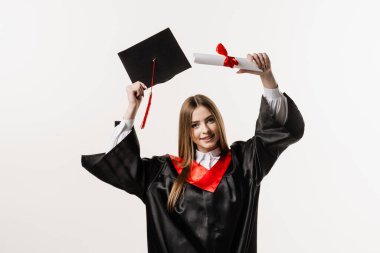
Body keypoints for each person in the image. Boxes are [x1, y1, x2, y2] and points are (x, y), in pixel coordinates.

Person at [81, 52, 305, 253]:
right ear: (186, 131)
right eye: (195, 125)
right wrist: (132, 108)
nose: (205, 130)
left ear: (219, 122)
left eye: (210, 121)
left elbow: (277, 128)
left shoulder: (245, 162)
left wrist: (267, 77)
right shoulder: (163, 175)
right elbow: (119, 163)